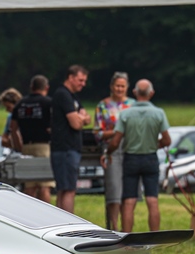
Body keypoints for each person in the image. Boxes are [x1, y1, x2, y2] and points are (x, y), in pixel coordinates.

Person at [106, 79, 171, 232]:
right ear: (151, 93)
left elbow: (116, 141)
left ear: (134, 92)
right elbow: (167, 140)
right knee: (152, 200)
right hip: (150, 158)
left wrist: (107, 152)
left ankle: (127, 237)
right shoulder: (159, 113)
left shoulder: (126, 114)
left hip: (131, 159)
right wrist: (155, 144)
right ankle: (154, 237)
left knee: (129, 201)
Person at [96, 72, 136, 231]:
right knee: (113, 189)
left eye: (122, 86)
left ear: (127, 87)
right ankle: (113, 227)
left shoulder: (133, 105)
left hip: (131, 148)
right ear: (112, 86)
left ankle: (127, 228)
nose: (119, 89)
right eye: (117, 86)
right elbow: (98, 132)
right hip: (112, 148)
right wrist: (117, 132)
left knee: (129, 191)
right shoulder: (103, 105)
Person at [50, 64, 91, 213]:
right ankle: (67, 222)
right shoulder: (63, 95)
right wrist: (80, 118)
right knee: (68, 189)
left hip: (69, 149)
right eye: (80, 80)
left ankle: (61, 220)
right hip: (65, 149)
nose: (83, 84)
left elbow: (87, 118)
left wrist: (81, 118)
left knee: (65, 188)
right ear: (70, 77)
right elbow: (76, 124)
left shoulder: (73, 96)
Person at [10, 74, 53, 202]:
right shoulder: (48, 103)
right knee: (44, 185)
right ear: (46, 87)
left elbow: (13, 128)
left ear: (31, 87)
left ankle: (28, 213)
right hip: (44, 146)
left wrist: (19, 146)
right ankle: (46, 213)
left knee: (29, 186)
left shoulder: (20, 104)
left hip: (26, 147)